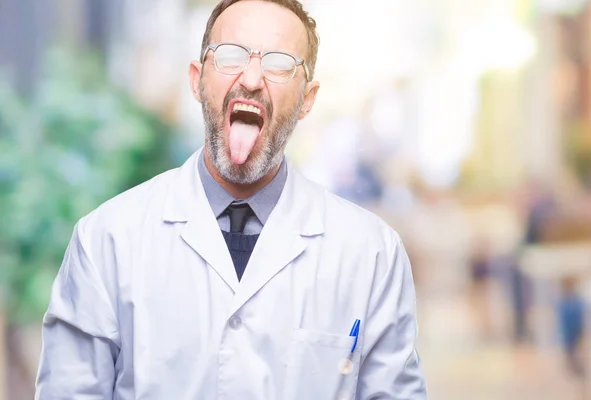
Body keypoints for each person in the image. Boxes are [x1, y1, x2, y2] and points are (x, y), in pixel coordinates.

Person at [34, 1, 427, 398]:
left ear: (308, 98)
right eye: (231, 56)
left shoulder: (371, 254)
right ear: (197, 80)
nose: (252, 78)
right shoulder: (106, 242)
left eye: (279, 63)